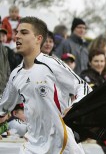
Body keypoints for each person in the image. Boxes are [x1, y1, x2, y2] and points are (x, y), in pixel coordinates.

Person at [0, 16, 91, 153]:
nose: (17, 36)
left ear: (38, 39)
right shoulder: (16, 75)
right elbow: (3, 107)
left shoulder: (51, 64)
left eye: (24, 33)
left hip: (61, 145)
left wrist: (74, 106)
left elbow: (84, 87)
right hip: (31, 145)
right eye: (17, 32)